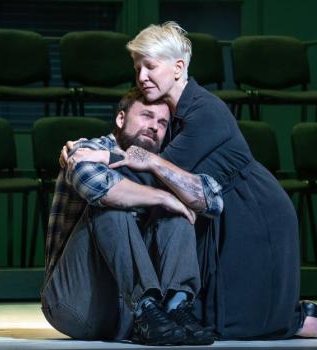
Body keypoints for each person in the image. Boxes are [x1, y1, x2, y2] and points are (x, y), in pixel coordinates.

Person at [68, 21, 317, 339]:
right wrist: (88, 148)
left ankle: (306, 319)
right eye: (137, 67)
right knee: (203, 316)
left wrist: (101, 157)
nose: (141, 76)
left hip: (251, 211)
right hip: (214, 209)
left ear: (178, 67)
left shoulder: (205, 112)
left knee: (241, 323)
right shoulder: (171, 112)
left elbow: (154, 172)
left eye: (150, 66)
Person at [41, 88, 223, 345]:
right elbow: (96, 186)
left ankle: (176, 308)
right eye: (146, 116)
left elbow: (214, 200)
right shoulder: (89, 148)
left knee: (176, 214)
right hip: (76, 304)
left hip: (135, 317)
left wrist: (157, 169)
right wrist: (163, 197)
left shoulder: (164, 163)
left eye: (162, 122)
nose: (154, 127)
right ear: (120, 119)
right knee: (111, 204)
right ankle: (146, 307)